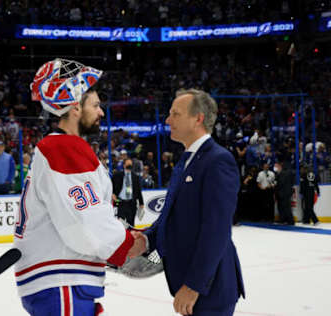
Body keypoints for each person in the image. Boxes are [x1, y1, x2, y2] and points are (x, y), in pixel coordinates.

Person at [14, 59, 141, 316]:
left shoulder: (59, 147)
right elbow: (85, 221)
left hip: (60, 282)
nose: (101, 112)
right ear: (74, 107)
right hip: (62, 281)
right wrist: (127, 244)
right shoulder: (63, 148)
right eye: (95, 105)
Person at [130, 89, 245, 316]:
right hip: (194, 287)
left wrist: (194, 286)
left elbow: (217, 230)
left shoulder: (218, 160)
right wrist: (145, 239)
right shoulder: (187, 160)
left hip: (210, 289)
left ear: (198, 118)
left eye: (175, 114)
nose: (167, 120)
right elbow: (171, 218)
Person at [112, 158, 144, 227]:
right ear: (124, 165)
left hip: (131, 204)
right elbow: (111, 186)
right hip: (121, 203)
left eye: (131, 163)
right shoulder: (117, 175)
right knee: (121, 224)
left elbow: (138, 191)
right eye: (128, 163)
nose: (130, 164)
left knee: (131, 224)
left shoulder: (135, 177)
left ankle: (131, 237)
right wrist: (112, 194)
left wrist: (141, 203)